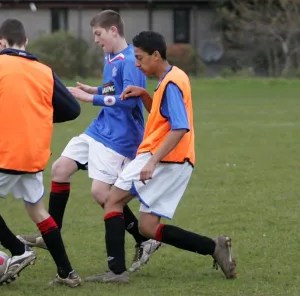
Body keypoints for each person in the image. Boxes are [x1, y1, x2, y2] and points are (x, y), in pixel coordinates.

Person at [84, 30, 237, 283]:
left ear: (156, 55)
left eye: (140, 58)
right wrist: (145, 96)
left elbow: (179, 127)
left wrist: (153, 161)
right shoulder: (171, 78)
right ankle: (215, 247)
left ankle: (116, 272)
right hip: (179, 160)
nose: (136, 63)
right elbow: (165, 117)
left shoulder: (172, 83)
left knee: (112, 200)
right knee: (147, 228)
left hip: (164, 157)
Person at [18, 10, 161, 273]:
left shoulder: (132, 60)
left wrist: (90, 100)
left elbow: (129, 98)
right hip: (100, 128)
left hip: (121, 136)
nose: (96, 40)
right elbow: (113, 87)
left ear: (113, 31)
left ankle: (144, 238)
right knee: (60, 169)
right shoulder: (110, 56)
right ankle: (53, 235)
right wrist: (94, 90)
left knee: (102, 194)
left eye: (98, 34)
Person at [0, 19, 81, 287]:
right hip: (33, 155)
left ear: (1, 43)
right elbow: (72, 109)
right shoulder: (44, 70)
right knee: (38, 212)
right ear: (25, 43)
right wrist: (36, 117)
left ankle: (19, 251)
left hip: (6, 153)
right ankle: (67, 273)